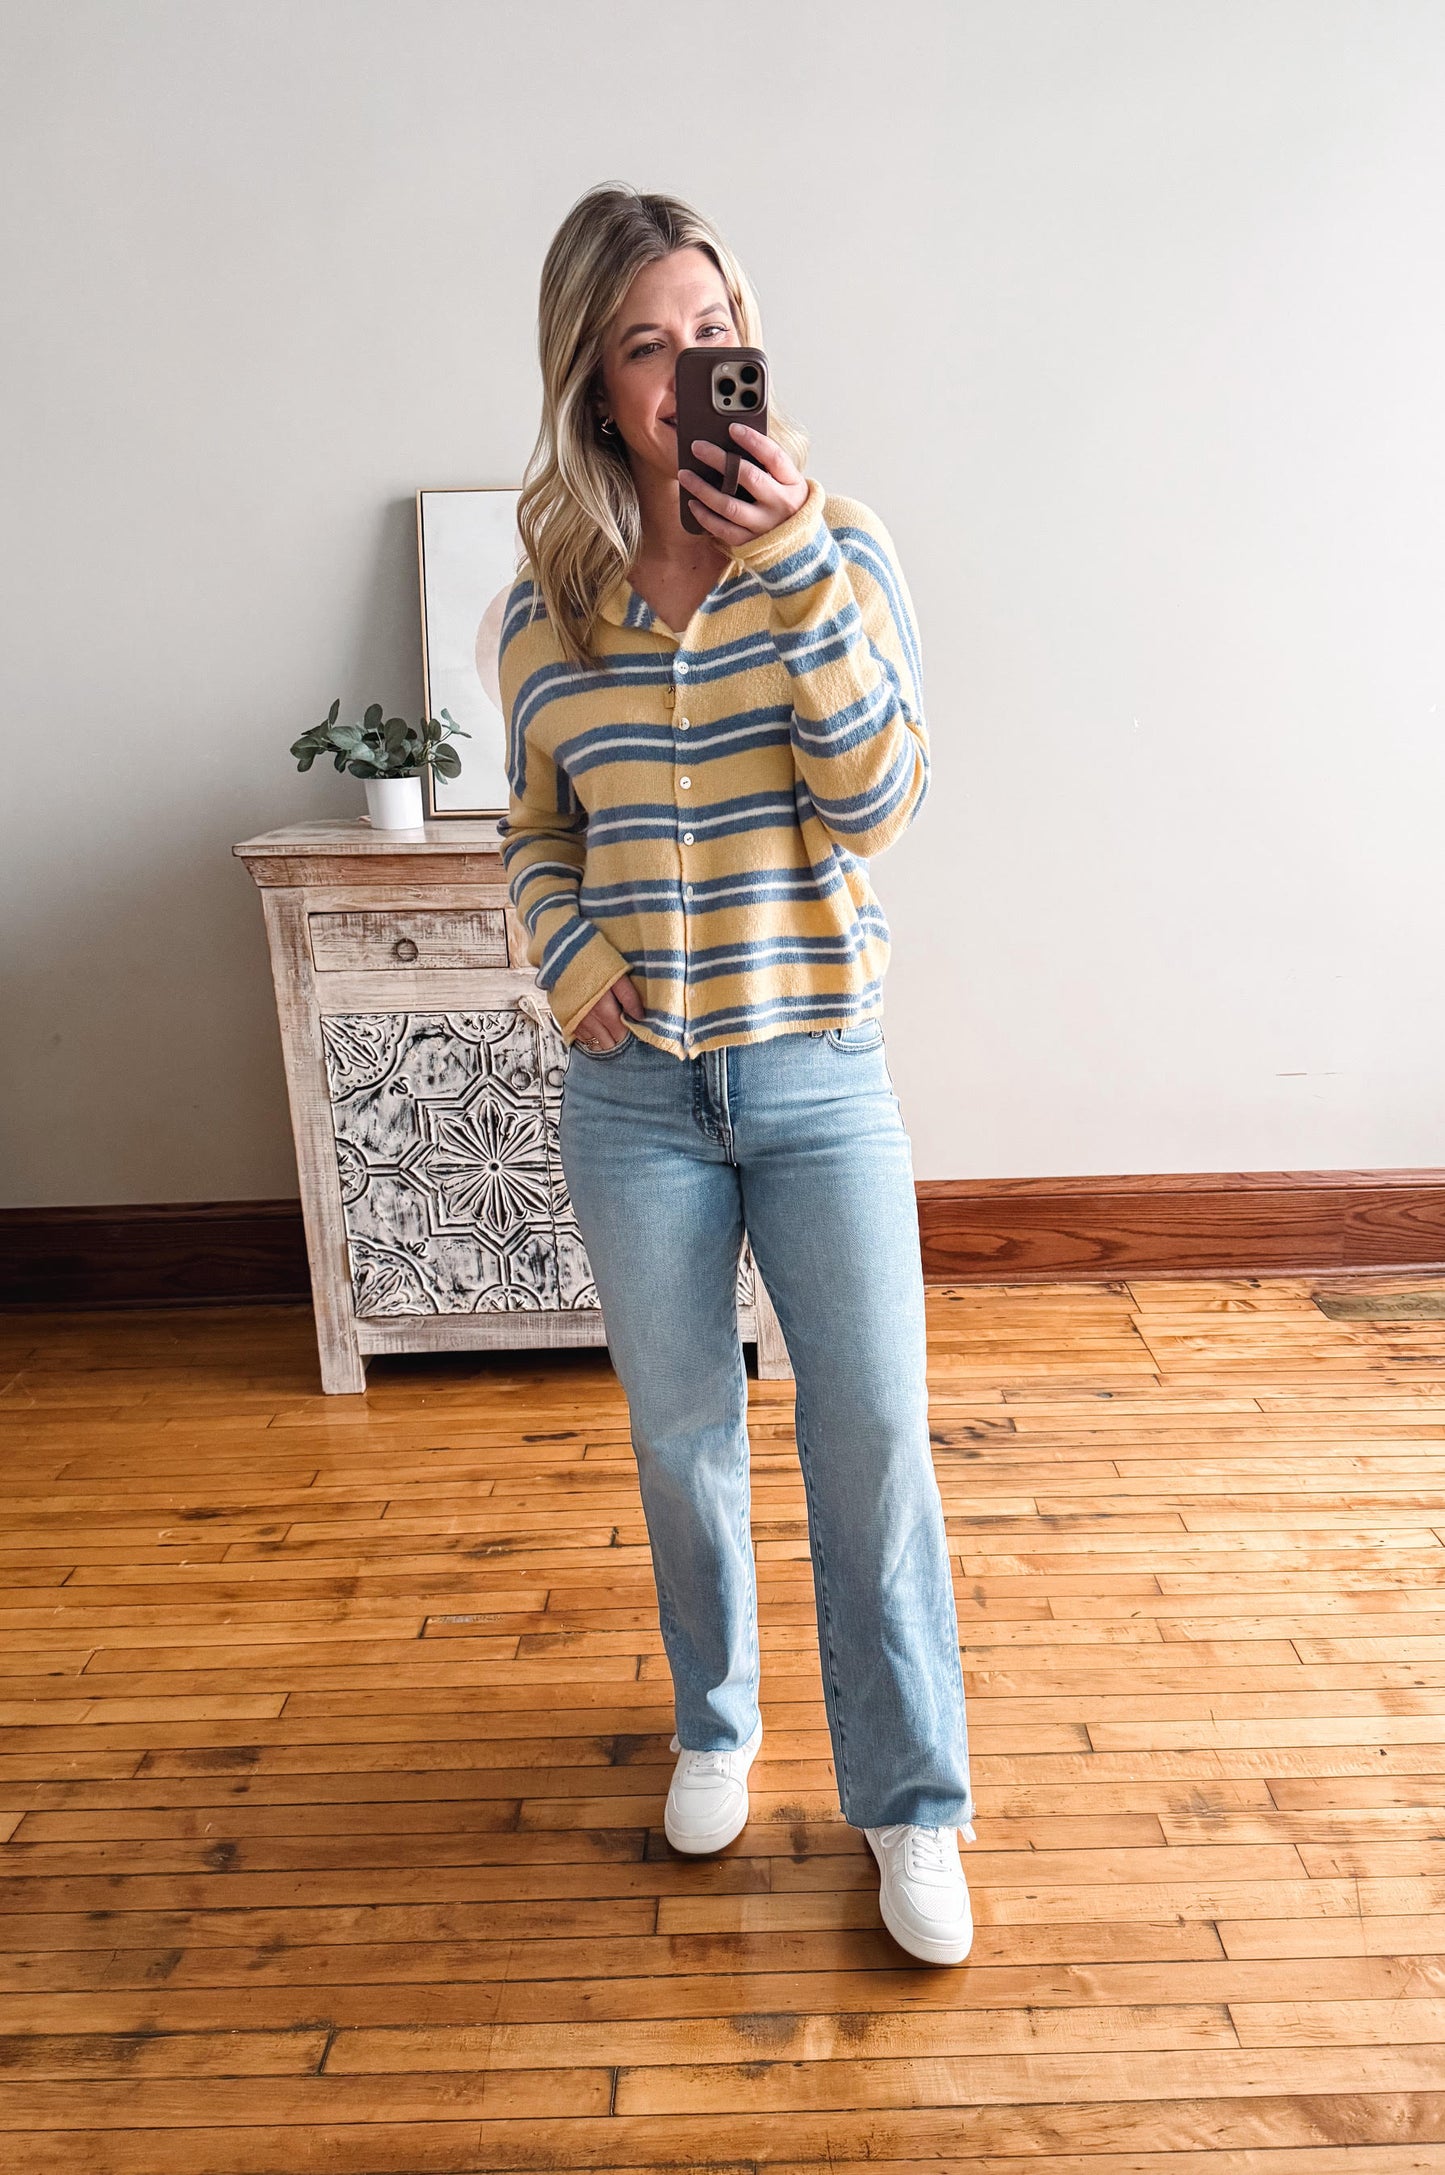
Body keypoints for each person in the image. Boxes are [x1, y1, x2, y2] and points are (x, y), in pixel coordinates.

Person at [497, 182, 974, 1966]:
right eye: (645, 345)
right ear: (596, 387)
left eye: (710, 334)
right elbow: (532, 827)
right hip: (633, 1102)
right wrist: (571, 954)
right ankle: (715, 1722)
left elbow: (878, 804)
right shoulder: (545, 603)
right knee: (682, 1436)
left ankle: (913, 1808)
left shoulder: (838, 551)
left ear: (745, 348)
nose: (689, 368)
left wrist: (786, 576)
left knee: (867, 1449)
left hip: (816, 1074)